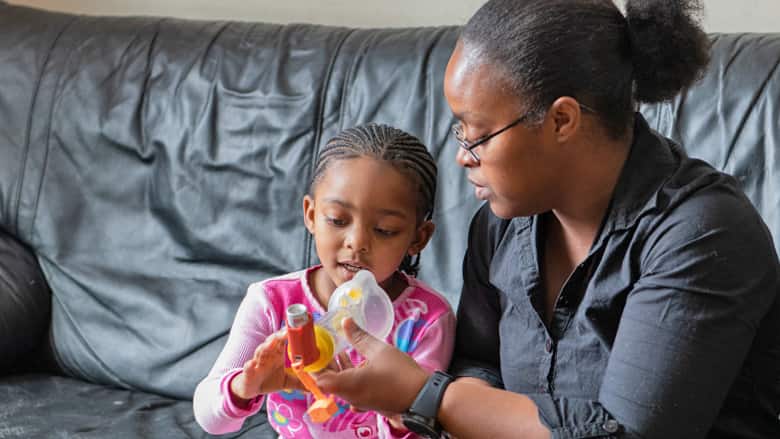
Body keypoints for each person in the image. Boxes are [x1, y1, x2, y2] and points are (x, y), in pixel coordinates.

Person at [314, 1, 780, 438]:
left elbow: (630, 432)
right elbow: (480, 361)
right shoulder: (498, 226)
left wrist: (427, 395)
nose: (461, 156)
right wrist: (449, 396)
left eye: (477, 134)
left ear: (562, 120)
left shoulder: (701, 233)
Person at [193, 123, 456, 438]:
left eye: (385, 229)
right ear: (311, 215)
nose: (356, 242)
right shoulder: (272, 303)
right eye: (338, 220)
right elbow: (209, 417)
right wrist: (244, 386)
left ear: (419, 237)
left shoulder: (427, 319)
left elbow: (423, 428)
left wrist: (394, 406)